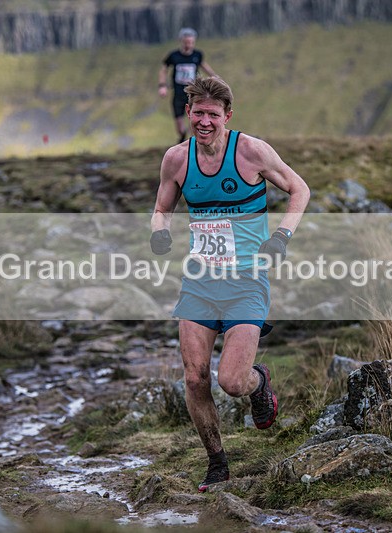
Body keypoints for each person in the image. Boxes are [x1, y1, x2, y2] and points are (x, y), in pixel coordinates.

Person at [149, 76, 310, 492]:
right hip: (200, 283)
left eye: (213, 115)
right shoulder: (176, 159)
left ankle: (259, 382)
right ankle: (217, 463)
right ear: (188, 113)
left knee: (232, 382)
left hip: (246, 282)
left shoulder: (251, 152)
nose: (205, 121)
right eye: (198, 113)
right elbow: (161, 208)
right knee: (194, 378)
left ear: (228, 116)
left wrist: (282, 236)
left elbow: (299, 189)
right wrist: (159, 231)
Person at [158, 28, 217, 144]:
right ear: (181, 41)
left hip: (193, 94)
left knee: (195, 119)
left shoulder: (197, 55)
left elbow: (204, 65)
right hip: (178, 93)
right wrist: (162, 85)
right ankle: (182, 136)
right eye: (186, 42)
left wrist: (214, 77)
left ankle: (192, 143)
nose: (188, 45)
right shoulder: (174, 56)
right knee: (179, 126)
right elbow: (163, 69)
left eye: (191, 42)